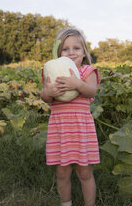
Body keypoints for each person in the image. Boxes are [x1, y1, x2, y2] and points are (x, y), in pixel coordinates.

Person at [40, 28, 100, 206]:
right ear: (59, 52)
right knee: (62, 173)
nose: (71, 52)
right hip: (60, 130)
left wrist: (77, 83)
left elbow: (91, 90)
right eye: (65, 49)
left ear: (84, 52)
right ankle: (66, 203)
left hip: (81, 130)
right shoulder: (52, 70)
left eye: (76, 48)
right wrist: (48, 92)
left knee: (85, 173)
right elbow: (45, 96)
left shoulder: (87, 71)